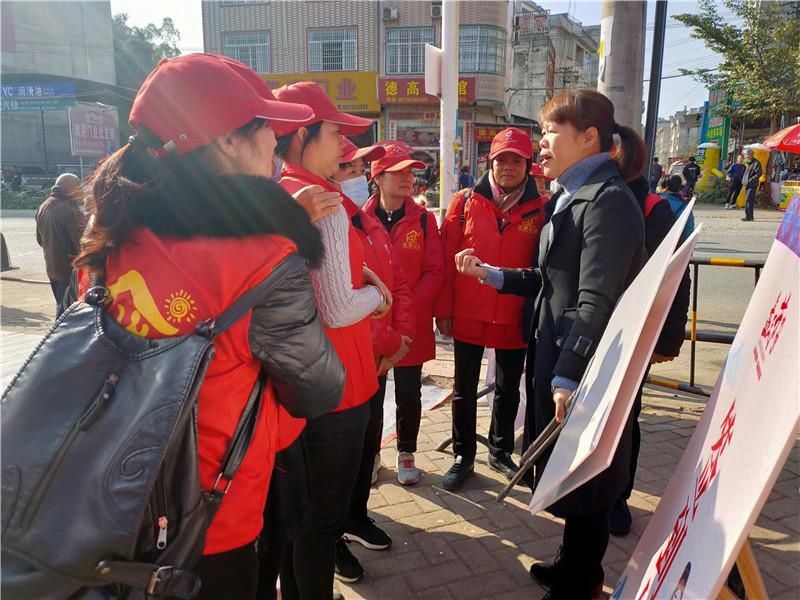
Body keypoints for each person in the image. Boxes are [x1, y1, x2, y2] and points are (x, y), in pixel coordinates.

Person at [72, 53, 344, 600]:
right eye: (264, 125)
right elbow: (318, 388)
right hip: (212, 512)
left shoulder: (114, 231)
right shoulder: (263, 255)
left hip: (116, 493)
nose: (274, 139)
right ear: (226, 141)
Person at [456, 89, 647, 599]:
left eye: (548, 133)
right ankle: (570, 564)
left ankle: (582, 580)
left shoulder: (608, 203)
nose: (541, 145)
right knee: (569, 472)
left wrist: (567, 373)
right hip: (563, 355)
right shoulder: (573, 195)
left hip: (586, 365)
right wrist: (494, 275)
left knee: (587, 476)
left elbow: (595, 300)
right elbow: (549, 279)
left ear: (588, 138)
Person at [271, 80, 391, 599]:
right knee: (321, 521)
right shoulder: (323, 203)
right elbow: (339, 306)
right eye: (334, 132)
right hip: (338, 384)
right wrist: (378, 297)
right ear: (301, 135)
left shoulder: (279, 193)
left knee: (299, 518)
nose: (343, 144)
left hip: (297, 382)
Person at [436, 127, 546, 491]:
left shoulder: (542, 208)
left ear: (528, 165)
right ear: (490, 162)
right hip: (469, 310)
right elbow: (445, 260)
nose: (508, 167)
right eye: (502, 160)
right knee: (464, 388)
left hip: (514, 313)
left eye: (517, 160)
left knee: (508, 388)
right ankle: (462, 455)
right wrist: (444, 310)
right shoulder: (464, 201)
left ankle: (499, 451)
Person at [327, 137, 416, 582]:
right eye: (349, 168)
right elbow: (338, 303)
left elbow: (395, 284)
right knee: (337, 459)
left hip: (376, 358)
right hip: (341, 363)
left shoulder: (366, 223)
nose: (355, 178)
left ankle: (355, 515)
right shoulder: (323, 221)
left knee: (365, 446)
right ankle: (330, 538)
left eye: (359, 168)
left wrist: (397, 340)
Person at [608, 174, 691, 536]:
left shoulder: (653, 210)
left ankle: (617, 497)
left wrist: (668, 339)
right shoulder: (578, 197)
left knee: (625, 417)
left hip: (634, 335)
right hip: (586, 333)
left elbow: (676, 275)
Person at [364, 141, 445, 486]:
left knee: (410, 393)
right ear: (378, 177)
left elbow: (435, 272)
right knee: (372, 393)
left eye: (410, 172)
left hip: (412, 324)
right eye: (398, 172)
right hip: (373, 323)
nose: (407, 178)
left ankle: (407, 452)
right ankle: (371, 455)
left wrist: (407, 308)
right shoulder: (360, 220)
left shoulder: (424, 221)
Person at [35, 173, 86, 316]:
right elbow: (83, 245)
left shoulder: (43, 206)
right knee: (67, 313)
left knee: (61, 305)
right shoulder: (70, 211)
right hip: (69, 271)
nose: (81, 193)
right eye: (79, 188)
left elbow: (40, 240)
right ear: (71, 188)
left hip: (52, 268)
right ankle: (59, 337)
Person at [742, 148, 762, 222]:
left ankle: (749, 217)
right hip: (747, 184)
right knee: (748, 200)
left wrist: (750, 180)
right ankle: (749, 216)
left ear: (752, 154)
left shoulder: (756, 163)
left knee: (749, 199)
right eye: (746, 154)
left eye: (748, 154)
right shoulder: (748, 162)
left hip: (752, 184)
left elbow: (758, 174)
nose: (746, 156)